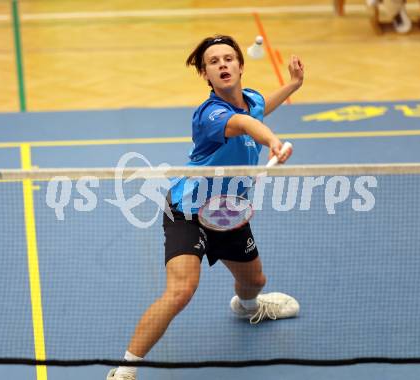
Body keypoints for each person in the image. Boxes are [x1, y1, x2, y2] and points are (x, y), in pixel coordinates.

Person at [107, 34, 305, 380]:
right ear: (206, 76)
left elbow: (259, 108)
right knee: (181, 290)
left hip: (229, 211)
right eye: (213, 62)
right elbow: (245, 124)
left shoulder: (251, 99)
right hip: (190, 209)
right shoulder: (210, 114)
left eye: (229, 58)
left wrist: (292, 84)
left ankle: (247, 308)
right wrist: (272, 141)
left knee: (255, 280)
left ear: (240, 66)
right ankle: (125, 369)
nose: (223, 65)